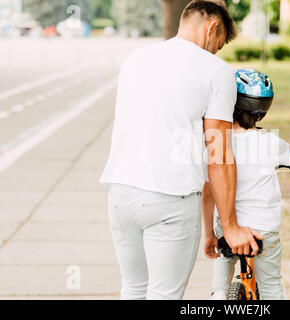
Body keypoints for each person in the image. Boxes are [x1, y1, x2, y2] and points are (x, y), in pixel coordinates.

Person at [99, 1, 261, 300]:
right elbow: (219, 154)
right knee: (164, 295)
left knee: (132, 291)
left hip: (120, 194)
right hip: (170, 199)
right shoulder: (216, 71)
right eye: (219, 43)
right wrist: (231, 226)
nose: (216, 51)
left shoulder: (136, 59)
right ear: (212, 26)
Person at [202, 68, 290, 300]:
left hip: (227, 229)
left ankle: (218, 293)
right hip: (264, 229)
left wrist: (209, 234)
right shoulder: (269, 143)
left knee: (226, 256)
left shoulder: (215, 144)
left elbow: (208, 194)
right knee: (272, 287)